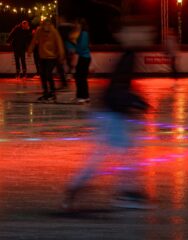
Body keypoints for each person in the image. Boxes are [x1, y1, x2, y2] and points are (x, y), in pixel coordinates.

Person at [62, 15, 154, 211]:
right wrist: (135, 101)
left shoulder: (130, 54)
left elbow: (119, 86)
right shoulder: (128, 56)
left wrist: (134, 101)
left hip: (111, 111)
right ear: (128, 35)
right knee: (118, 154)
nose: (147, 36)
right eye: (143, 32)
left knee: (117, 153)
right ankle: (124, 194)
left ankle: (81, 186)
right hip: (111, 113)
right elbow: (117, 88)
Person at [28, 19, 65, 102]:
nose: (46, 27)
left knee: (48, 74)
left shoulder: (54, 31)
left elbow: (59, 43)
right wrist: (30, 49)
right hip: (42, 57)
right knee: (42, 75)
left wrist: (61, 55)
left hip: (52, 57)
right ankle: (45, 93)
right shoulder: (39, 31)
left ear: (50, 25)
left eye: (48, 25)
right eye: (44, 25)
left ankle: (52, 92)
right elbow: (34, 40)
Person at [68, 19, 91, 103]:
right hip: (82, 57)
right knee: (80, 77)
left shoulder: (84, 33)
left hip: (84, 57)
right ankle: (83, 96)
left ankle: (82, 96)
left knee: (80, 77)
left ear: (81, 25)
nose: (75, 26)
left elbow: (83, 46)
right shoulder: (80, 33)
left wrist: (74, 48)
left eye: (77, 24)